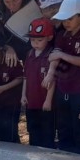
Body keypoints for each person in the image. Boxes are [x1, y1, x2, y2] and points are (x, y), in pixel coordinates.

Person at [43, 0, 80, 155]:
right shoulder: (61, 35)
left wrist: (61, 55)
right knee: (63, 128)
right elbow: (54, 56)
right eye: (63, 19)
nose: (66, 22)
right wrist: (50, 72)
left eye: (70, 18)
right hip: (62, 88)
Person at [22, 18, 56, 148]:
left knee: (47, 133)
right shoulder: (29, 54)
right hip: (31, 101)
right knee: (32, 131)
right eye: (32, 40)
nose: (35, 43)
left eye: (39, 40)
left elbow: (53, 80)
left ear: (49, 37)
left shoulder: (51, 55)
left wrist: (48, 100)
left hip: (45, 102)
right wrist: (23, 95)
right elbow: (25, 77)